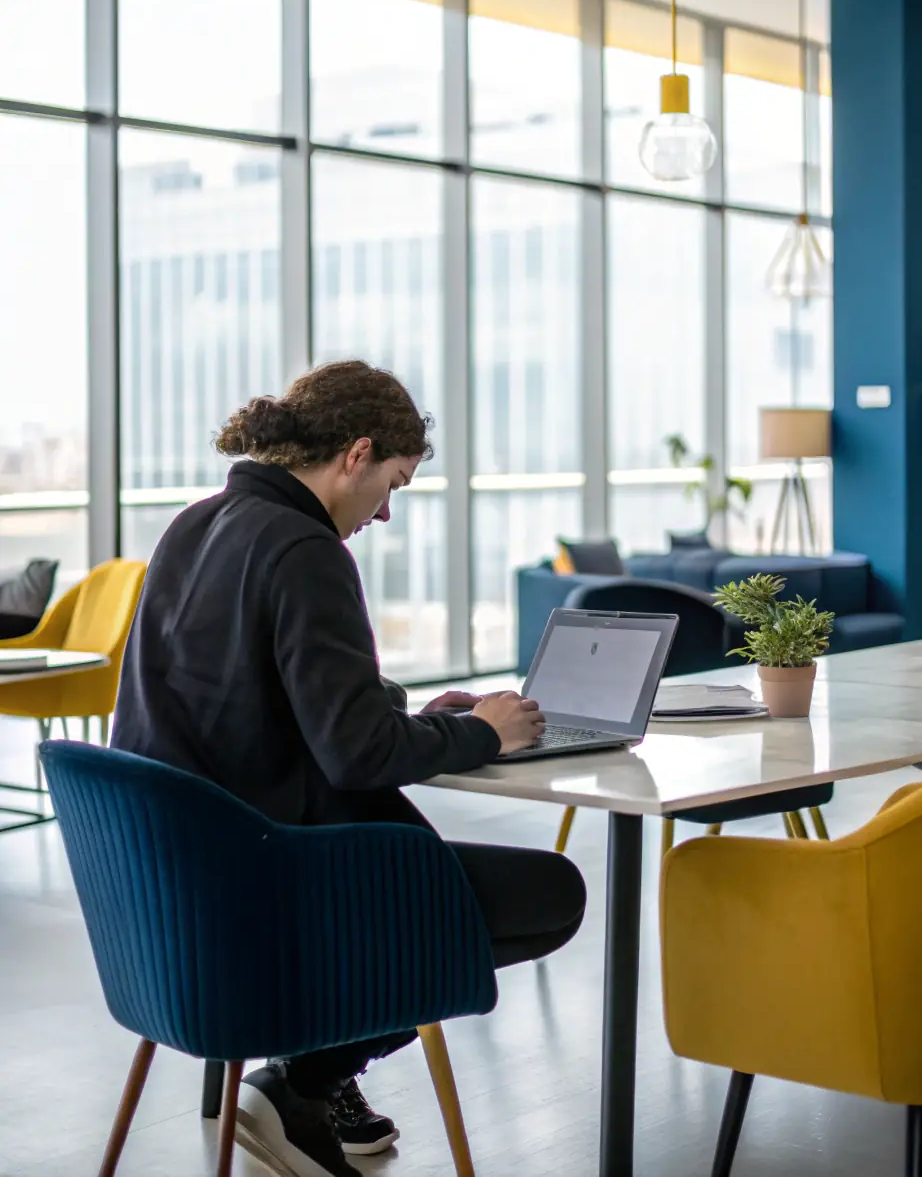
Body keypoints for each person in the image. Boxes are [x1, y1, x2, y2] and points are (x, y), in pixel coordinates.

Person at [111, 360, 586, 1177]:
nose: (387, 512)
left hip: (173, 883)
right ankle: (302, 1079)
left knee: (447, 894)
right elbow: (356, 754)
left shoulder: (195, 524)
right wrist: (486, 735)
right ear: (357, 453)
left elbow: (262, 701)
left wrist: (419, 722)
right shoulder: (306, 549)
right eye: (394, 483)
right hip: (268, 879)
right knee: (550, 894)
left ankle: (308, 1086)